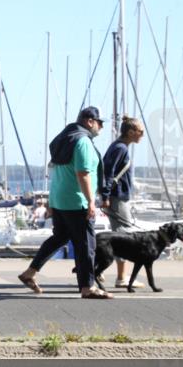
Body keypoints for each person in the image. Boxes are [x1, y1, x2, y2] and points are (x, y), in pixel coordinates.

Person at [18, 107, 111, 299]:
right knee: (86, 245)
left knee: (59, 238)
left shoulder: (64, 138)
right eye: (100, 123)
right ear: (89, 121)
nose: (101, 127)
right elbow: (83, 173)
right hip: (77, 201)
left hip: (59, 199)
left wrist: (51, 202)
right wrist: (91, 201)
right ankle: (87, 288)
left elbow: (58, 172)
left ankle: (29, 273)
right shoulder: (83, 141)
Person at [101, 115, 146, 288]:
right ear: (130, 132)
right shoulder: (120, 148)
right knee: (123, 236)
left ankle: (103, 270)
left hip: (118, 196)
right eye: (140, 131)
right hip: (117, 196)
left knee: (122, 234)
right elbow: (108, 173)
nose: (142, 134)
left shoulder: (119, 147)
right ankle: (122, 278)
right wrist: (105, 196)